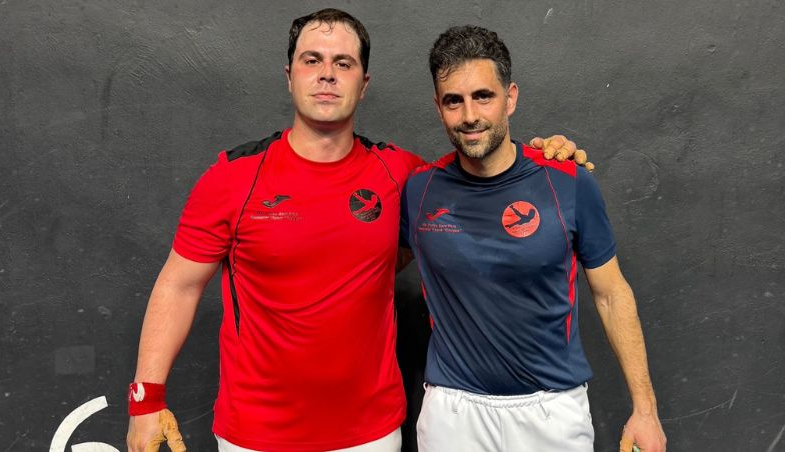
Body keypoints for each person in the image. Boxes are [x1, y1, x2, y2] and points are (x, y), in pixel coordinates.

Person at [126, 9, 585, 452]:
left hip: (371, 434)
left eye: (343, 63)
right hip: (255, 434)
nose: (327, 74)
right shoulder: (233, 177)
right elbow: (179, 286)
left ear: (363, 84)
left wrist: (547, 155)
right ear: (289, 76)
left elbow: (481, 175)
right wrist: (145, 400)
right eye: (312, 60)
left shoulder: (401, 175)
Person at [399, 25, 666, 452]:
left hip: (551, 412)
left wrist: (646, 410)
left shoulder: (568, 181)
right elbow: (367, 266)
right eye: (454, 100)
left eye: (483, 96)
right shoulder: (419, 190)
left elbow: (611, 294)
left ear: (511, 98)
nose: (469, 115)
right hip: (453, 412)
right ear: (438, 106)